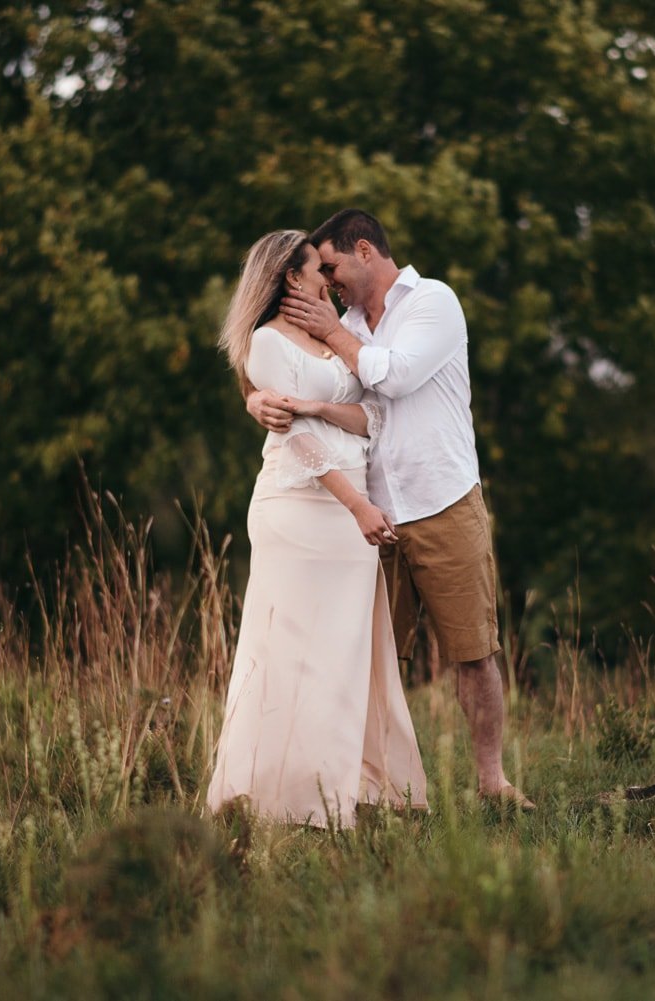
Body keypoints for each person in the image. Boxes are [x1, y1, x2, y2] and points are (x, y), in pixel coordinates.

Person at [254, 208, 533, 809]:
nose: (327, 282)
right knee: (363, 657)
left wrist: (332, 332)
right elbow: (290, 375)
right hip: (366, 515)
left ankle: (492, 781)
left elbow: (394, 377)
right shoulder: (344, 320)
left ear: (364, 250)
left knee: (473, 649)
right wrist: (258, 402)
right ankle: (364, 789)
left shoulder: (432, 302)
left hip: (442, 501)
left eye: (331, 267)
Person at [205, 229, 429, 828]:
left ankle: (351, 788)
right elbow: (295, 437)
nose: (328, 281)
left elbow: (374, 415)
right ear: (290, 279)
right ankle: (281, 794)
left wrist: (326, 408)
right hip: (302, 509)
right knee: (292, 648)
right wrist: (357, 504)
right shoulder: (266, 345)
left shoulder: (341, 333)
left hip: (349, 511)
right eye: (317, 271)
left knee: (345, 651)